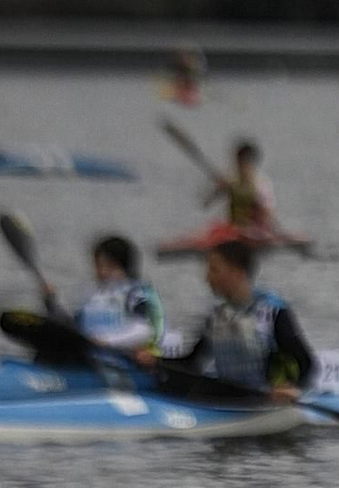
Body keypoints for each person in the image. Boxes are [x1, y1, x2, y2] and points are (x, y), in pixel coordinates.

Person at [152, 239, 314, 395]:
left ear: (237, 273)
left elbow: (306, 364)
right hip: (228, 398)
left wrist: (293, 388)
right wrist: (155, 361)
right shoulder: (217, 315)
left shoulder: (272, 311)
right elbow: (192, 364)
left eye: (214, 270)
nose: (207, 278)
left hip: (263, 401)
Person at [51, 235, 165, 353]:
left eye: (109, 266)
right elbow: (73, 326)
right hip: (87, 354)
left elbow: (144, 331)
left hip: (119, 356)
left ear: (124, 266)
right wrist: (50, 301)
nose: (103, 272)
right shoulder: (89, 293)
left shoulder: (135, 293)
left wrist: (107, 341)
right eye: (99, 266)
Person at [203, 139, 280, 235]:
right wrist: (218, 189)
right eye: (238, 162)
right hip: (233, 227)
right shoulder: (230, 180)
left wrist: (237, 190)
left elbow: (267, 213)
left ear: (251, 163)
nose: (240, 166)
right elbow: (206, 204)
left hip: (255, 228)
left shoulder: (260, 184)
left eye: (243, 162)